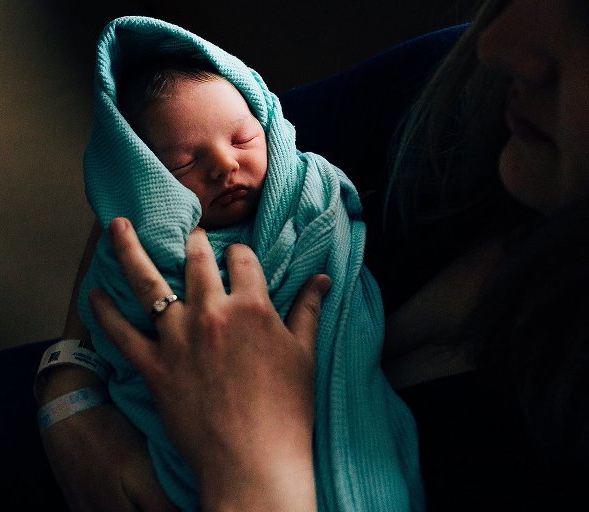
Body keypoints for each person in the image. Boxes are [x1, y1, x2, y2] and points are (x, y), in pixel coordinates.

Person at [40, 0, 589, 509]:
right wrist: (69, 394)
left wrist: (249, 466)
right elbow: (142, 159)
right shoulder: (475, 95)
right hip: (106, 418)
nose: (494, 42)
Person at [35, 15, 422, 511]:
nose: (224, 164)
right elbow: (119, 266)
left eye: (242, 140)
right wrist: (69, 391)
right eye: (182, 164)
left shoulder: (310, 196)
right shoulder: (149, 238)